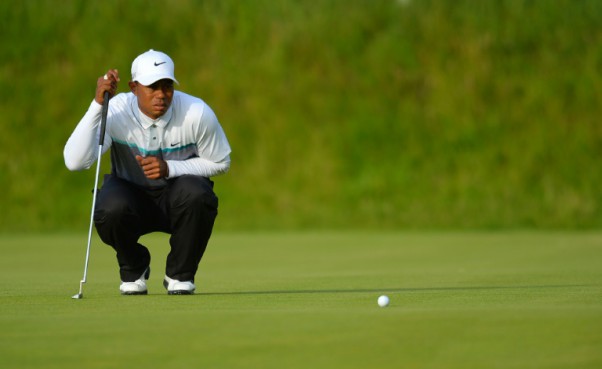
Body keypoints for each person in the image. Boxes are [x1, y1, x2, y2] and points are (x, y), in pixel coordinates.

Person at [64, 49, 231, 295]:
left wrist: (170, 168)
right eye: (152, 87)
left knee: (198, 194)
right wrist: (98, 105)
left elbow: (221, 162)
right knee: (108, 207)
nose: (161, 95)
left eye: (167, 86)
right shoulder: (116, 110)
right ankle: (134, 267)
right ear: (133, 87)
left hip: (177, 198)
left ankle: (179, 274)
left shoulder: (196, 112)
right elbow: (75, 161)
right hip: (131, 199)